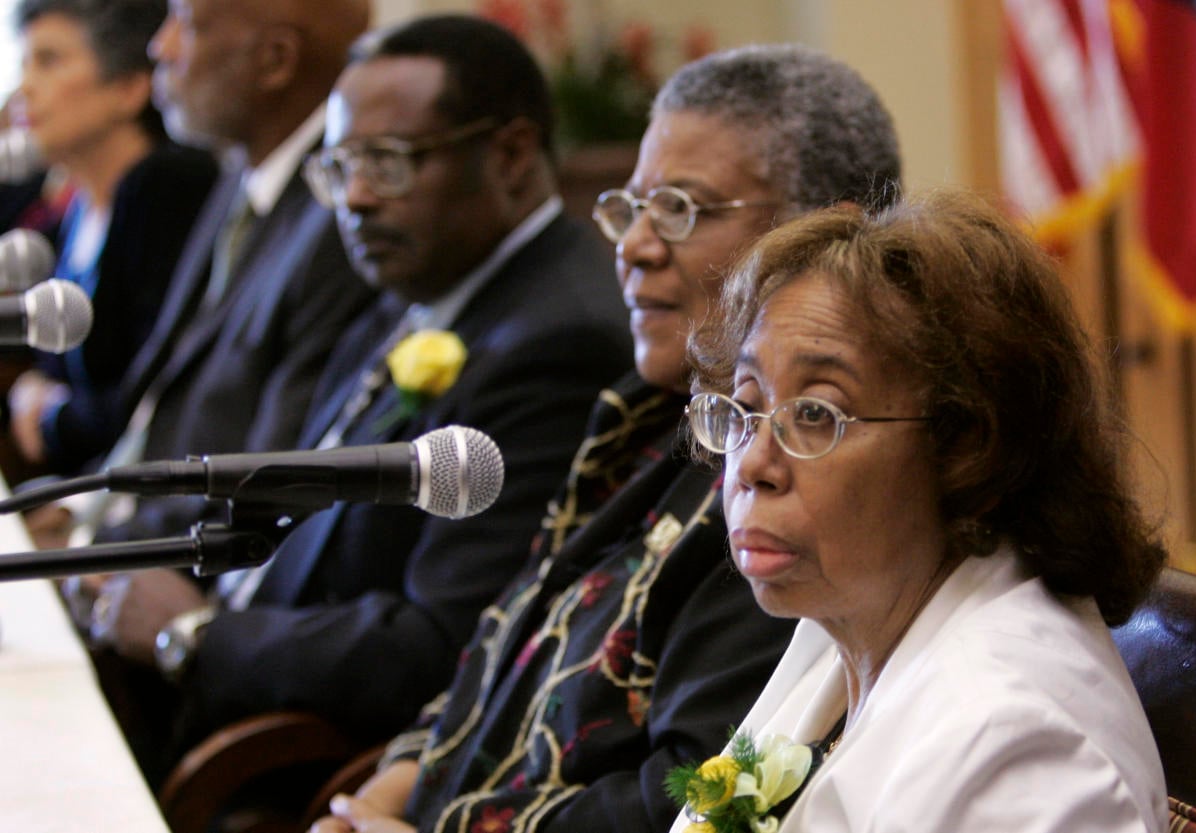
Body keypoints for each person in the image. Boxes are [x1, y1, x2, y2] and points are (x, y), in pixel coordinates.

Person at [311, 42, 902, 833]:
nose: (634, 246)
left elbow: (690, 792)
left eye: (681, 211)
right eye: (631, 208)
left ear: (822, 235)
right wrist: (393, 785)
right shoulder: (645, 415)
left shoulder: (794, 480)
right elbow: (508, 642)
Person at [81, 13, 635, 783]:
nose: (358, 199)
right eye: (339, 167)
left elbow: (440, 639)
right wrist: (127, 553)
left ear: (509, 154)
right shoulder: (415, 283)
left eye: (389, 161)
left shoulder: (556, 341)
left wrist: (195, 634)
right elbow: (286, 481)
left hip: (302, 757)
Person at [669, 188, 1166, 833]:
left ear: (967, 446)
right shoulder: (844, 623)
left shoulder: (1018, 745)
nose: (754, 465)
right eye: (744, 403)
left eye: (816, 414)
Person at [45, 0, 377, 785]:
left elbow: (266, 469)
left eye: (186, 26)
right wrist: (84, 505)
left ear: (273, 60)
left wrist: (108, 541)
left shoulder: (339, 220)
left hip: (190, 601)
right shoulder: (241, 178)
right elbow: (164, 395)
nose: (158, 49)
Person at [6, 0, 218, 475]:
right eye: (25, 64)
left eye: (50, 61)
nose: (24, 89)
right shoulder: (77, 207)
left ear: (129, 87)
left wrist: (52, 415)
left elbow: (152, 400)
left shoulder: (166, 187)